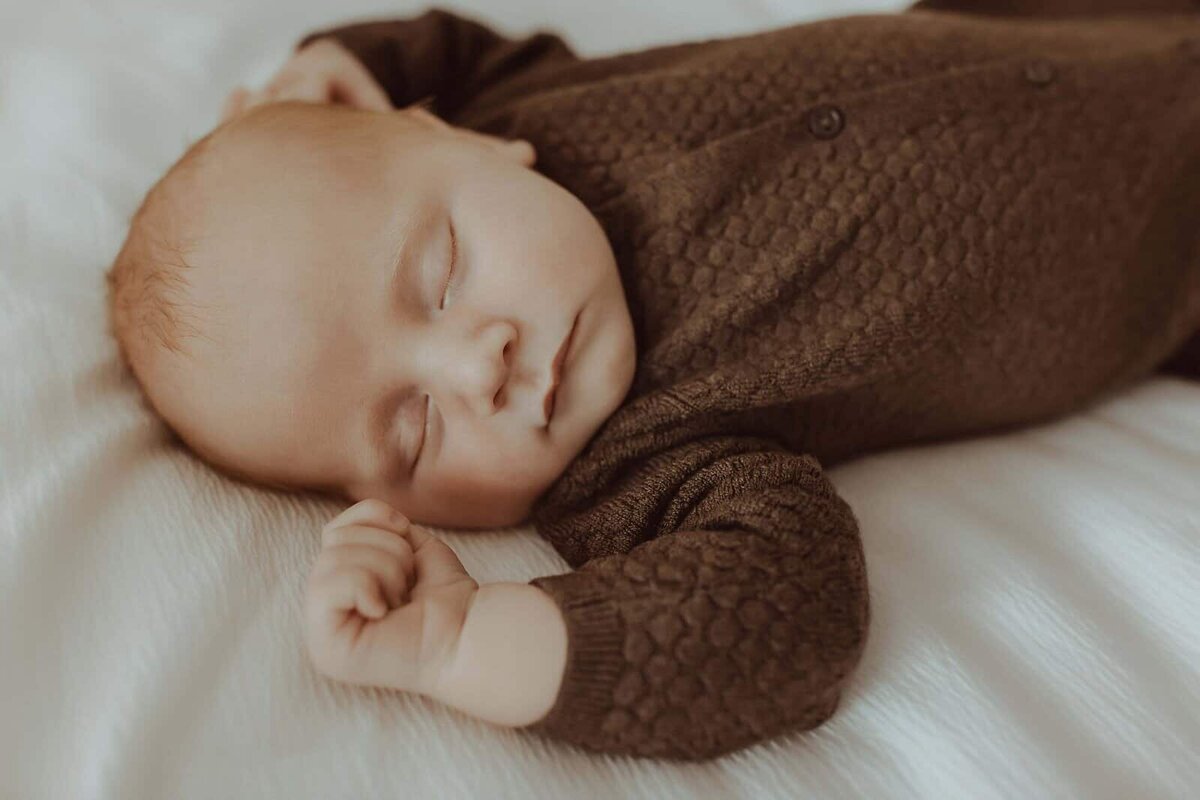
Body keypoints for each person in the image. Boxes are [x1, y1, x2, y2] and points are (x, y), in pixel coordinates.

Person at [104, 0, 1200, 760]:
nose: (472, 366)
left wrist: (348, 61)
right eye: (414, 433)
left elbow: (439, 53)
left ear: (461, 143)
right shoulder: (637, 466)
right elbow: (788, 614)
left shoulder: (512, 106)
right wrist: (463, 643)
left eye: (438, 276)